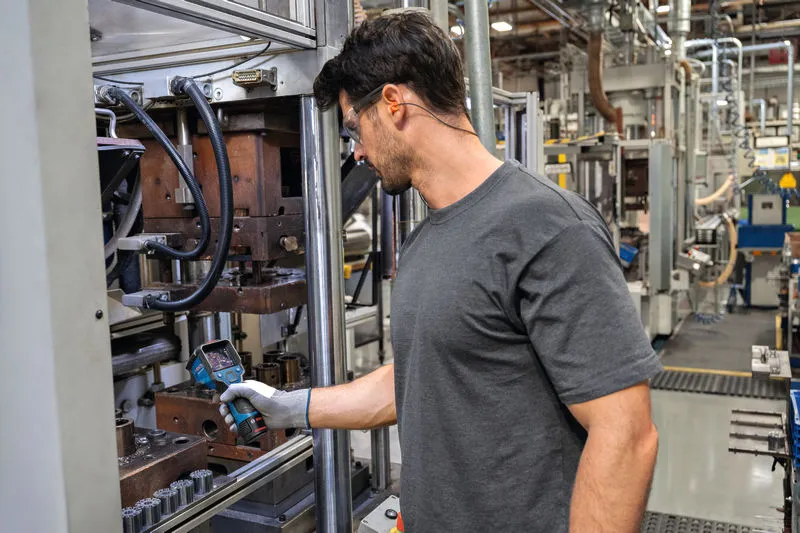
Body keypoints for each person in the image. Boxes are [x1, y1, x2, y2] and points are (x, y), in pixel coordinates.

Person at [220, 11, 661, 533]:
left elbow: (625, 436)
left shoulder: (547, 227)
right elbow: (420, 378)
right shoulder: (425, 238)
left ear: (393, 103)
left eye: (355, 128)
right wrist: (292, 407)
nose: (357, 151)